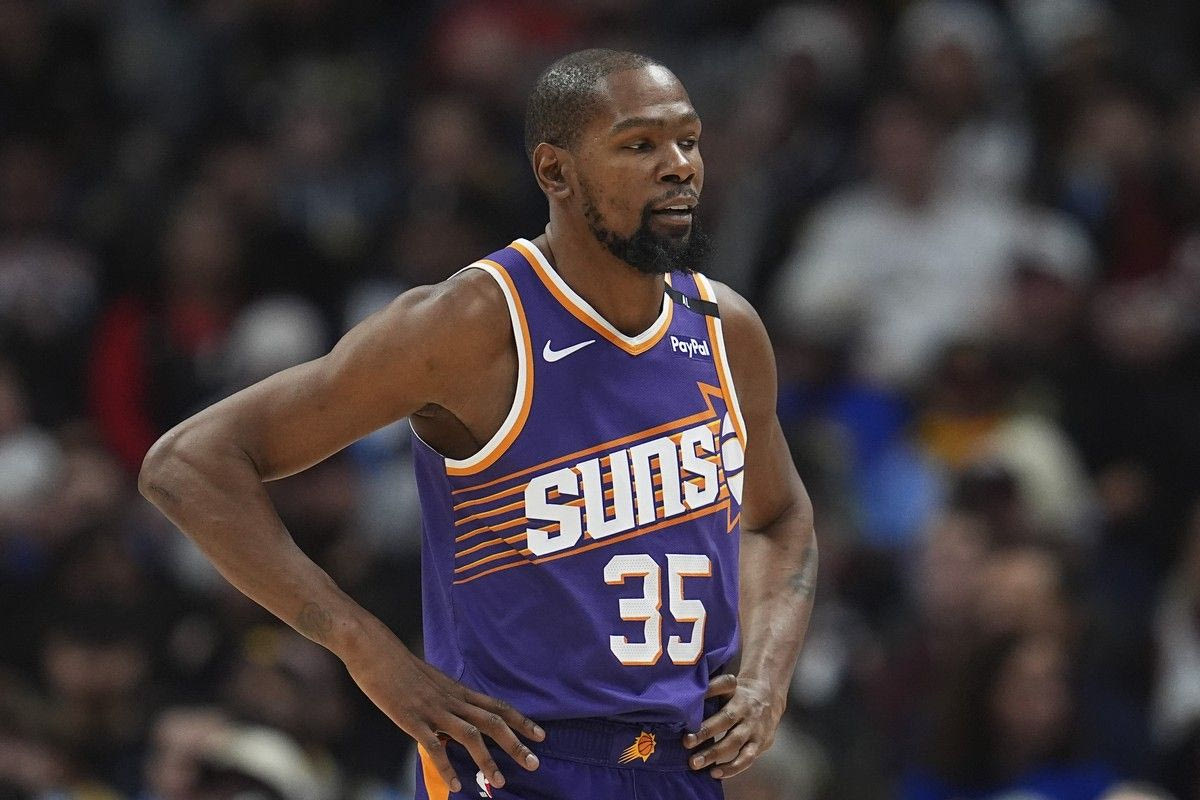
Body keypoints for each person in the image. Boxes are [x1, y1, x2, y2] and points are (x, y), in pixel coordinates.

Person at [138, 48, 818, 799]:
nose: (679, 166)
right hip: (512, 764)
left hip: (678, 765)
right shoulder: (472, 323)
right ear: (556, 171)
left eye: (687, 140)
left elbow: (780, 516)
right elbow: (188, 464)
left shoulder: (725, 329)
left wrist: (765, 680)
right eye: (639, 145)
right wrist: (367, 651)